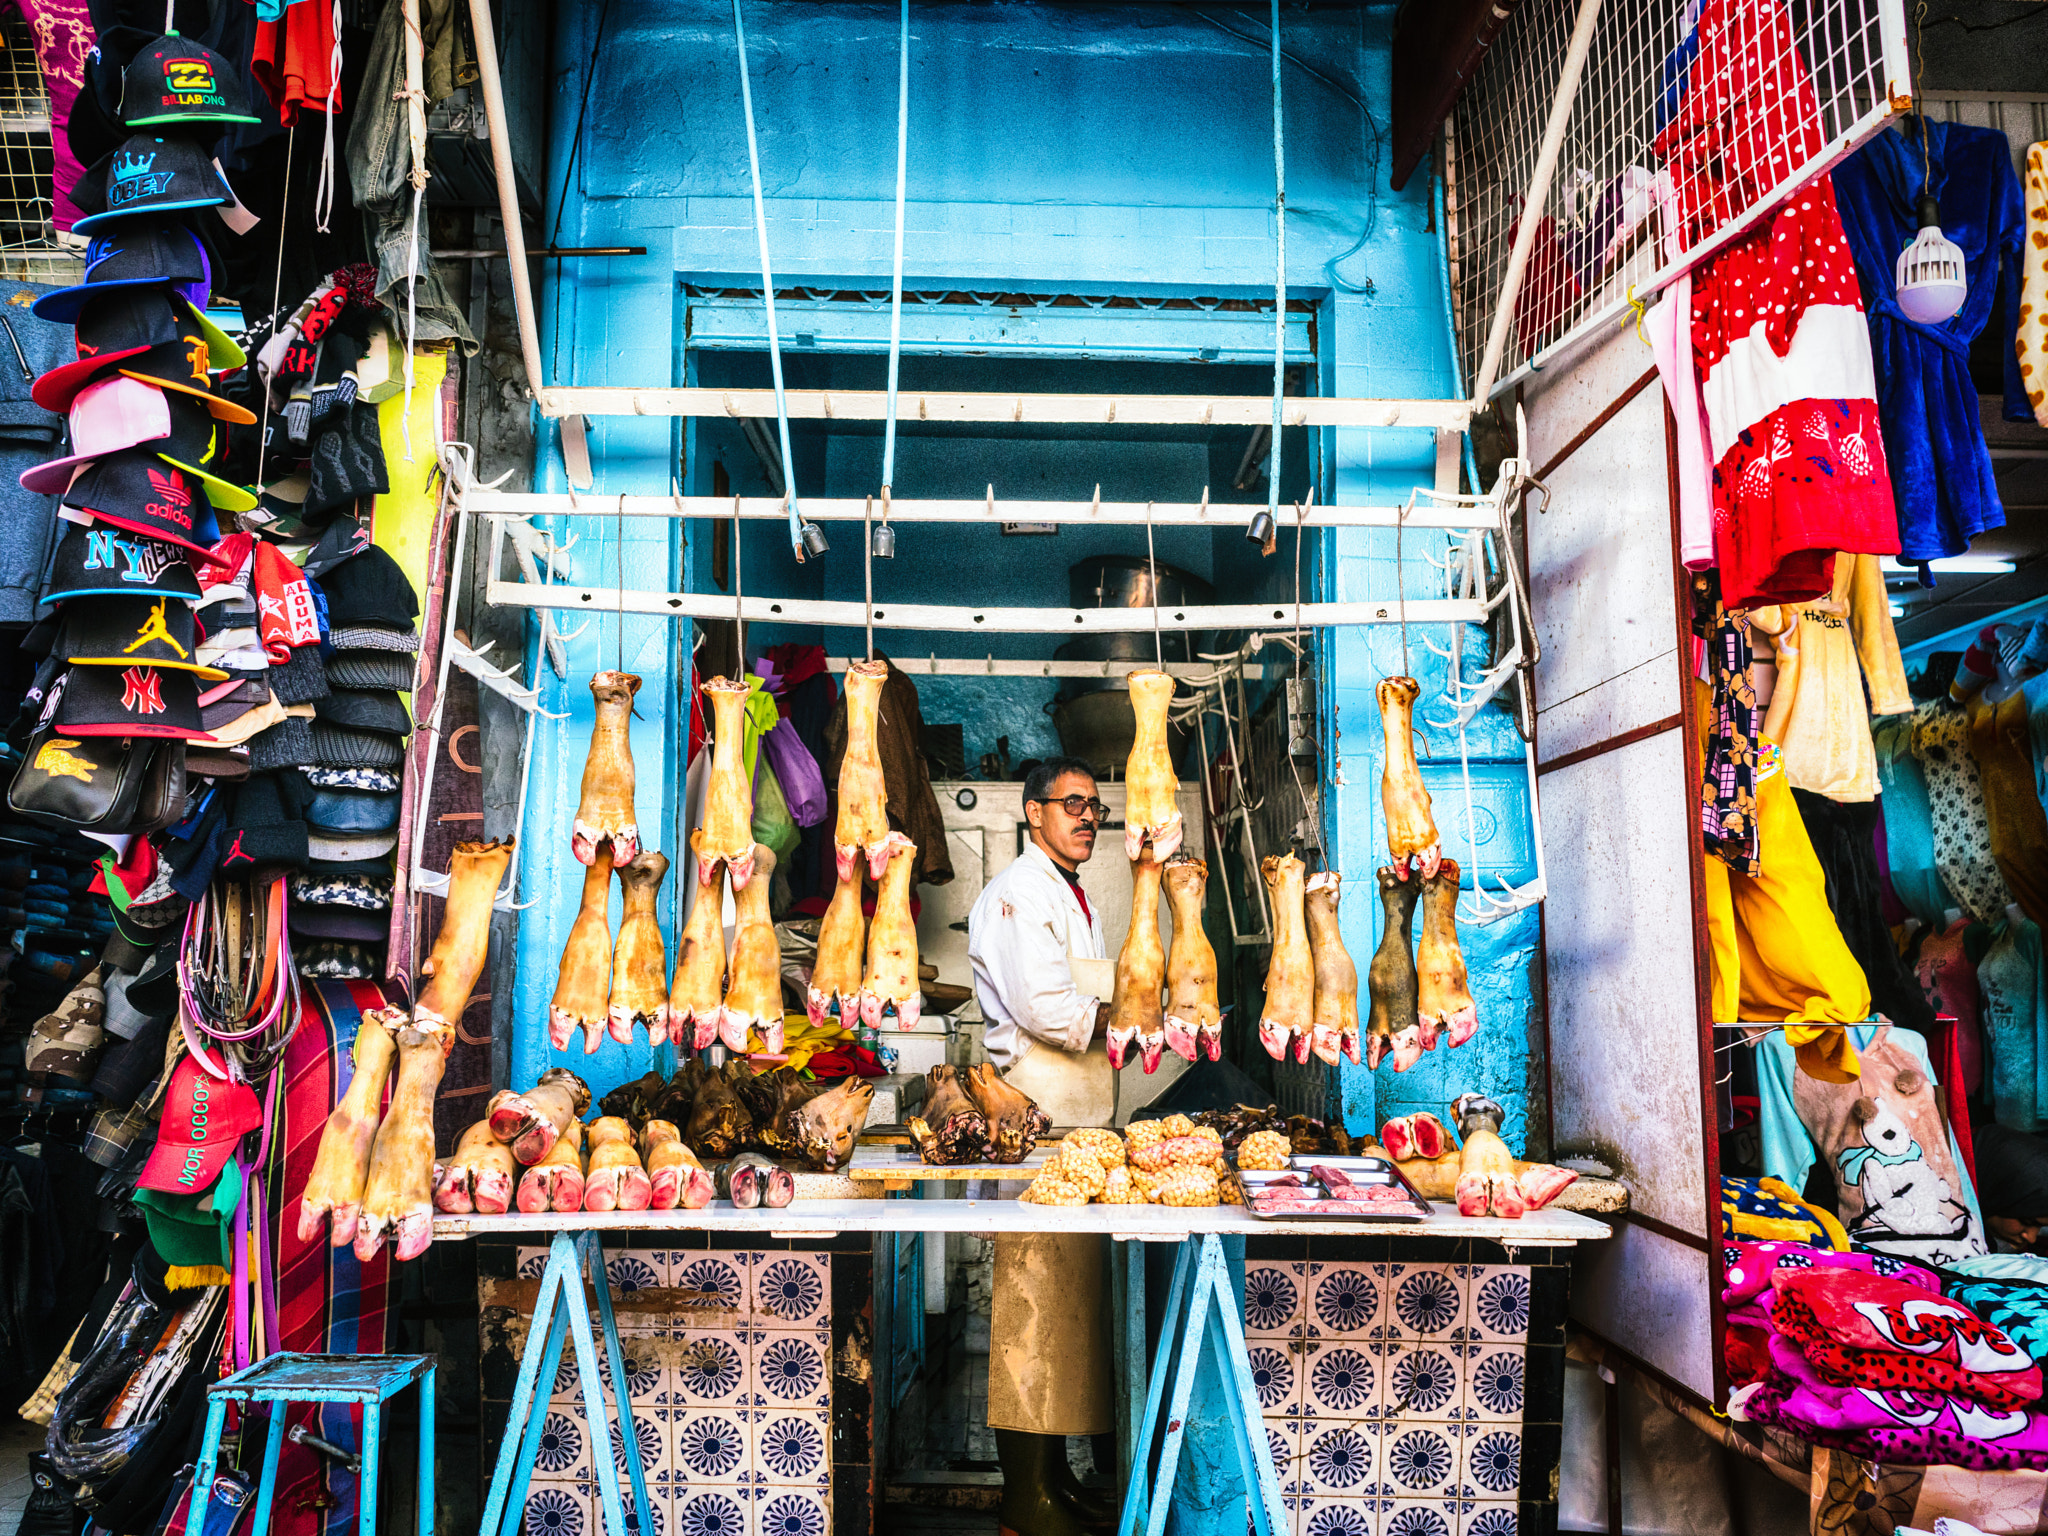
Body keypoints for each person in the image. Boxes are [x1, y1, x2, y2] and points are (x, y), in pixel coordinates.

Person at [968, 756, 1118, 1536]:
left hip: (1076, 1124)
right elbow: (1048, 1010)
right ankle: (1025, 1500)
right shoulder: (1019, 895)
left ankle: (1055, 1483)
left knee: (1067, 1310)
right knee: (1031, 1309)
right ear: (1033, 813)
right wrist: (1131, 1014)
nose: (1087, 816)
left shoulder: (1066, 891)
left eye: (1094, 805)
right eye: (1071, 804)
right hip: (1036, 1122)